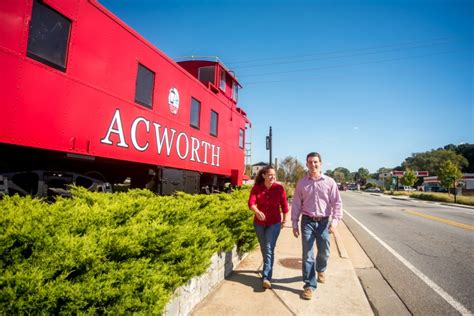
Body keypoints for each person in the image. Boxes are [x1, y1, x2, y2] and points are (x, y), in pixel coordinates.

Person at [291, 152, 343, 300]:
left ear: (320, 163)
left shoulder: (330, 182)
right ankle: (309, 285)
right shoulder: (301, 183)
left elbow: (337, 203)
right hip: (307, 221)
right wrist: (294, 223)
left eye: (315, 162)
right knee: (307, 254)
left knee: (324, 251)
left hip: (324, 222)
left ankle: (321, 269)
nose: (313, 165)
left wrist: (335, 222)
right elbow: (296, 204)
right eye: (310, 162)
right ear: (306, 164)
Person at [248, 165, 289, 289]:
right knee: (264, 248)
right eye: (270, 174)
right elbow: (251, 202)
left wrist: (284, 221)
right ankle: (267, 269)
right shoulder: (256, 188)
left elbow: (285, 206)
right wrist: (256, 211)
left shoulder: (279, 188)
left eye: (274, 175)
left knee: (268, 247)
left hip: (274, 223)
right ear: (264, 175)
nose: (273, 177)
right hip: (259, 224)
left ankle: (266, 277)